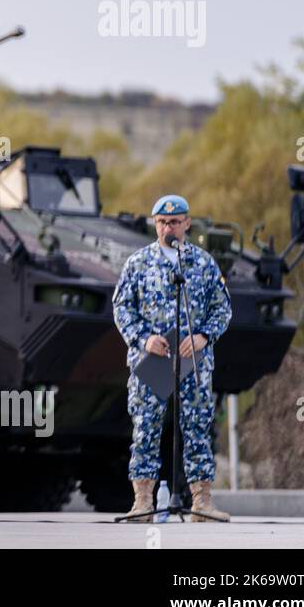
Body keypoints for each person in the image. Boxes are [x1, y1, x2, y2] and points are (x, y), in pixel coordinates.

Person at [112, 194, 232, 523]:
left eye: (175, 222)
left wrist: (203, 335)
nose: (169, 227)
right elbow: (122, 308)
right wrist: (142, 339)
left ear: (187, 224)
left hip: (193, 360)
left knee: (196, 427)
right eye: (163, 222)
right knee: (146, 428)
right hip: (152, 359)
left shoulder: (204, 263)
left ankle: (201, 502)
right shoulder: (137, 263)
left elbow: (222, 308)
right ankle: (143, 502)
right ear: (155, 224)